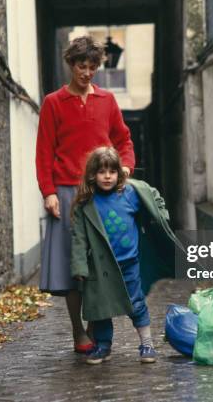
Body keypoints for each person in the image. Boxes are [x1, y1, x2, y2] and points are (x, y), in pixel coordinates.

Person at [35, 36, 135, 354]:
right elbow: (43, 152)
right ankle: (78, 332)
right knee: (71, 268)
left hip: (101, 196)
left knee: (98, 266)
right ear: (71, 64)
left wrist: (126, 169)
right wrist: (48, 192)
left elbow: (124, 140)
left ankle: (95, 328)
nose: (87, 72)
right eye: (82, 66)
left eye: (93, 67)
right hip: (65, 194)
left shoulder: (107, 101)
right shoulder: (54, 102)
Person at [70, 147, 182, 365]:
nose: (107, 176)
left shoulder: (130, 193)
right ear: (93, 174)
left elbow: (155, 198)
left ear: (119, 173)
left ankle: (147, 343)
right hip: (100, 267)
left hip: (129, 263)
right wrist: (79, 267)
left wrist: (162, 217)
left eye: (112, 171)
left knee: (136, 303)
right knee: (102, 308)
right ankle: (103, 346)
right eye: (102, 172)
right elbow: (78, 238)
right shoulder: (86, 203)